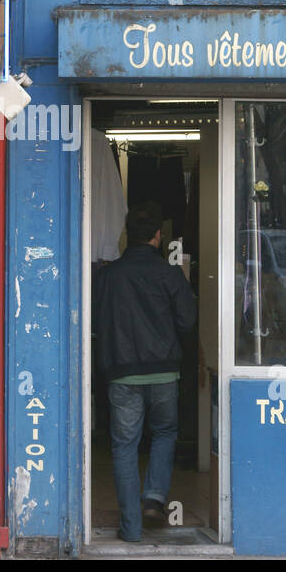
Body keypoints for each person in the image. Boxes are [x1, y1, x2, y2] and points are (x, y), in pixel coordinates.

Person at [94, 201, 198, 542]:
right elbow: (187, 320)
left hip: (122, 373)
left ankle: (131, 529)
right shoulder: (169, 274)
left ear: (126, 235)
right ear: (158, 236)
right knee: (165, 432)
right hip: (164, 373)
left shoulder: (108, 275)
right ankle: (154, 497)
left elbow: (95, 321)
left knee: (125, 446)